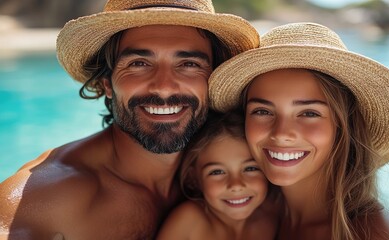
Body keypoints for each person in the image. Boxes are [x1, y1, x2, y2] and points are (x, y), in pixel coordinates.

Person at [0, 0, 259, 239]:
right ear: (107, 84)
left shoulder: (240, 174)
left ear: (211, 81)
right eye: (139, 63)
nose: (164, 87)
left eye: (189, 64)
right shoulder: (49, 196)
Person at [208, 22, 389, 240]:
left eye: (309, 113)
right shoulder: (243, 213)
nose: (281, 133)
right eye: (262, 111)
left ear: (344, 126)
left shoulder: (377, 233)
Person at [156, 111, 281, 240]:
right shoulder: (189, 222)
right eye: (217, 172)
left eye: (250, 168)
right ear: (193, 179)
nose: (236, 185)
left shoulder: (274, 216)